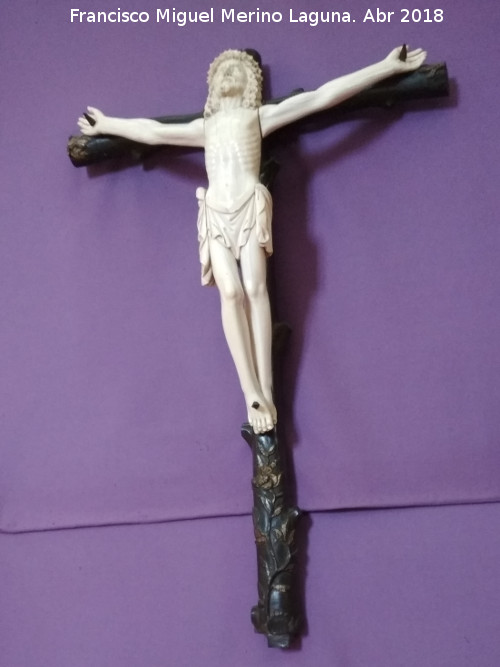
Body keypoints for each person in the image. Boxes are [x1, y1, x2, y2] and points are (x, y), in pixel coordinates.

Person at [78, 46, 426, 434]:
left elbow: (322, 97)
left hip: (248, 207)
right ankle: (251, 391)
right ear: (212, 86)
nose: (228, 75)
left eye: (236, 70)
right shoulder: (205, 127)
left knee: (256, 289)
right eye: (222, 72)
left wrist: (384, 67)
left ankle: (266, 388)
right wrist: (107, 124)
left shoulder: (259, 117)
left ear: (251, 84)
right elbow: (153, 131)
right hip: (215, 213)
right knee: (230, 293)